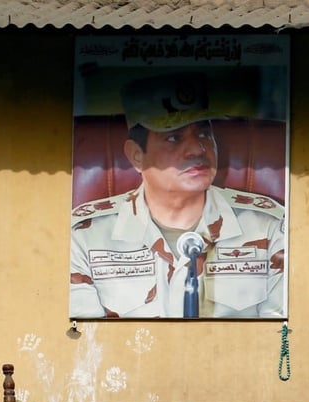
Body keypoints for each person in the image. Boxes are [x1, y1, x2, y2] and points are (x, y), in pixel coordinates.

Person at [69, 71, 285, 318]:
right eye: (174, 137)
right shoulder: (85, 235)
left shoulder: (269, 227)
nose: (197, 148)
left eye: (204, 133)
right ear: (137, 155)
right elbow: (83, 342)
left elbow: (282, 340)